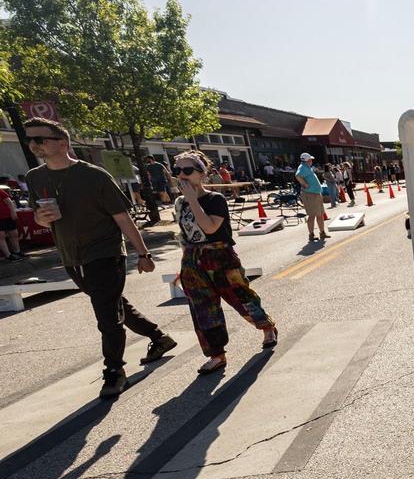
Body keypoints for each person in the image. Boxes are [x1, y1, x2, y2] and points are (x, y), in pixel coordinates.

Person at [25, 117, 176, 399]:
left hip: (104, 254)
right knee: (114, 304)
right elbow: (41, 218)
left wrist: (143, 253)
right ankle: (159, 337)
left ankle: (114, 371)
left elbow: (123, 218)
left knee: (107, 315)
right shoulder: (35, 178)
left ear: (62, 142)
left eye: (39, 139)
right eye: (30, 140)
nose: (33, 145)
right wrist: (41, 219)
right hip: (71, 257)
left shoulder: (94, 176)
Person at [172, 150, 277, 374]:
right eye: (177, 170)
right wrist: (187, 265)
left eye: (188, 170)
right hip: (192, 259)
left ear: (202, 174)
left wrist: (192, 198)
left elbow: (209, 228)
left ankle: (266, 326)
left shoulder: (215, 200)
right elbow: (186, 234)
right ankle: (216, 354)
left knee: (241, 298)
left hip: (220, 257)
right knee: (203, 309)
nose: (182, 175)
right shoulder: (180, 203)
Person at [295, 153, 328, 241]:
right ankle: (311, 234)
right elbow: (297, 176)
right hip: (310, 194)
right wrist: (305, 184)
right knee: (312, 215)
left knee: (320, 214)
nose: (311, 161)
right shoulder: (303, 168)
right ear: (307, 160)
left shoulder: (306, 167)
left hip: (315, 194)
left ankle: (322, 232)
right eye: (310, 160)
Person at [0, 186, 26, 261]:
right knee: (1, 236)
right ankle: (8, 255)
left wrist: (13, 212)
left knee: (14, 234)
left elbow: (9, 201)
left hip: (7, 216)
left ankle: (17, 251)